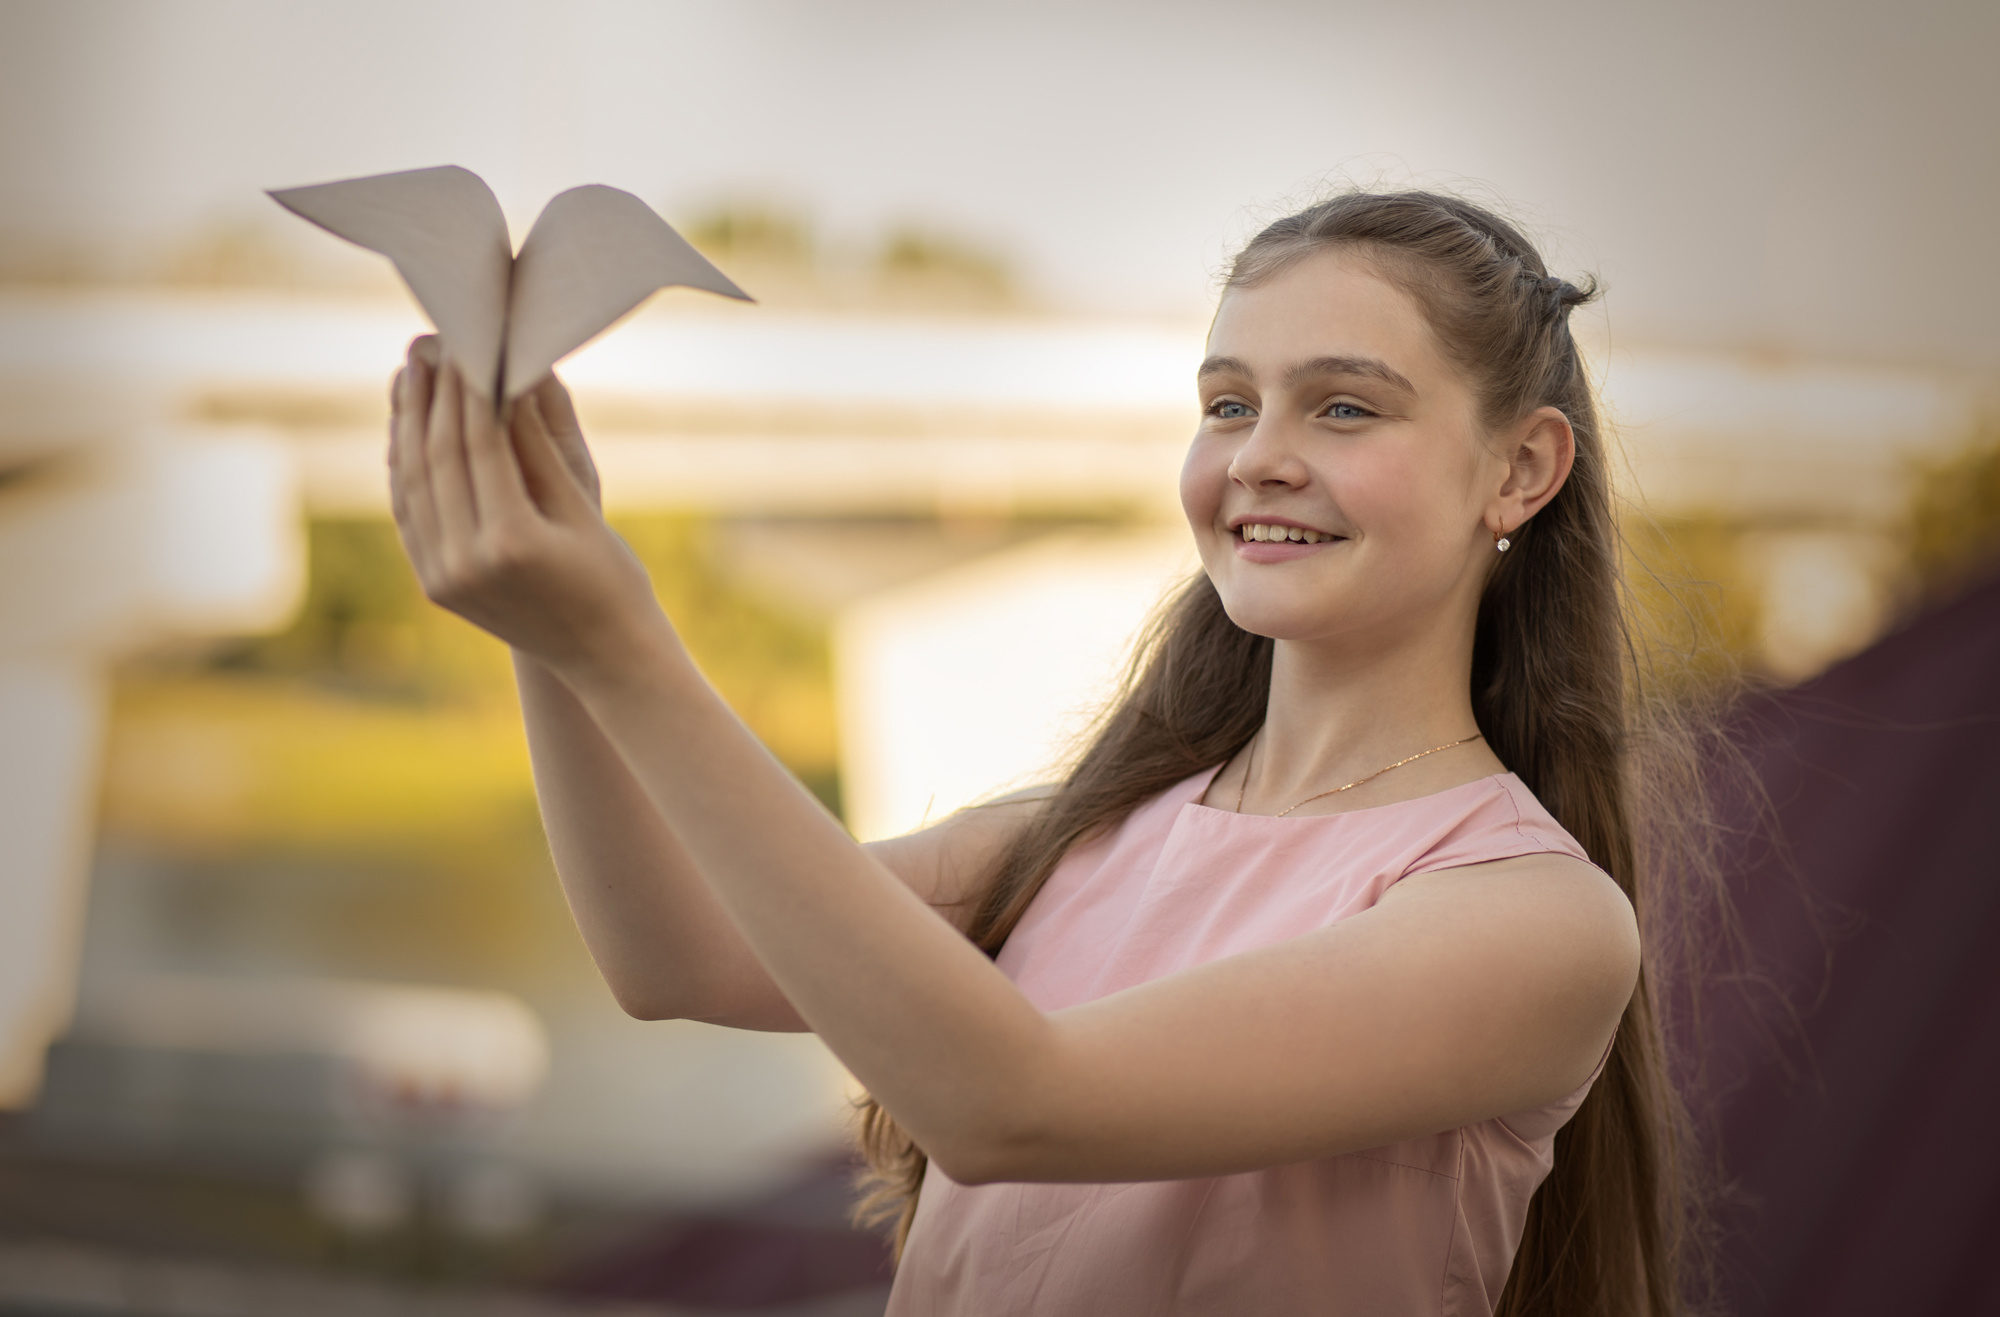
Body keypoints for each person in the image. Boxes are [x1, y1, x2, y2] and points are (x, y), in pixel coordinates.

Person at [386, 191, 1698, 1315]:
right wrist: (547, 622)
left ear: (1520, 469)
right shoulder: (1072, 835)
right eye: (1228, 402)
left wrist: (624, 641)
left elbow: (1011, 1103)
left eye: (1344, 408)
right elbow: (674, 954)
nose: (1260, 458)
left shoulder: (1537, 920)